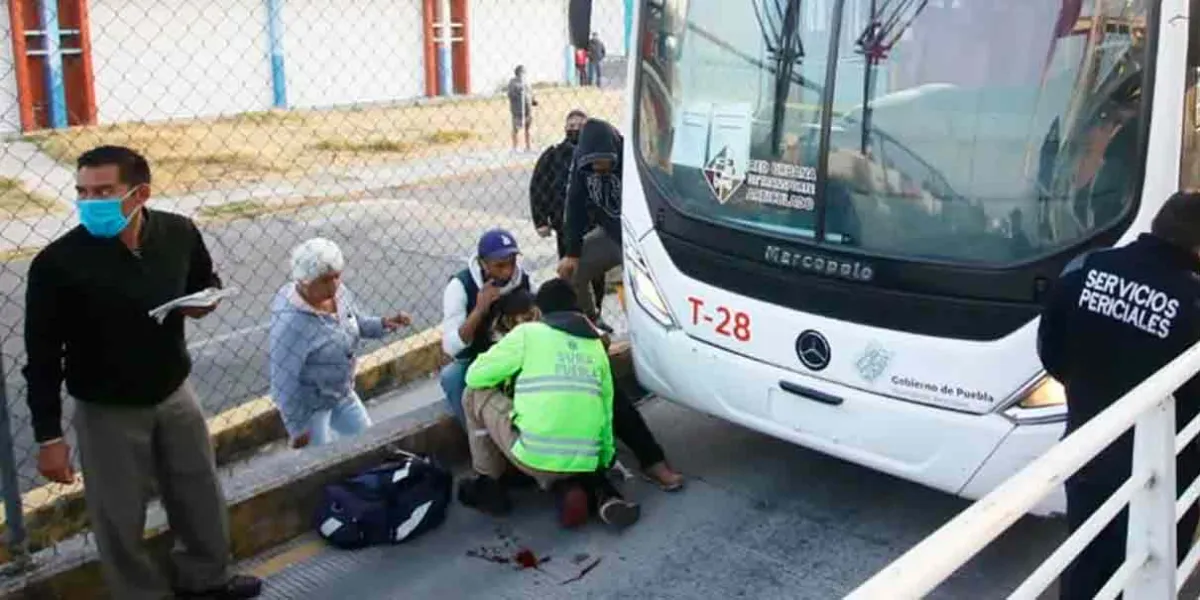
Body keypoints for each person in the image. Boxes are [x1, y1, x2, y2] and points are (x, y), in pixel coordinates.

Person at [22, 145, 262, 600]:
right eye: (82, 192)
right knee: (118, 517)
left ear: (140, 194)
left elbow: (204, 282)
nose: (90, 202)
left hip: (174, 392)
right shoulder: (56, 265)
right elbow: (42, 356)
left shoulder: (178, 233)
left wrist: (203, 301)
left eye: (104, 191)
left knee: (198, 493)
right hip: (106, 409)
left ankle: (206, 580)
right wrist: (49, 436)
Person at [1037, 189, 1200, 600]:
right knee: (1150, 569)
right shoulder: (1193, 301)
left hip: (1088, 451)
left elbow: (1050, 352)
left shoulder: (1087, 267)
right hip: (1168, 471)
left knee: (1085, 559)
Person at [456, 279, 641, 529]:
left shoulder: (527, 335)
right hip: (587, 456)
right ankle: (593, 493)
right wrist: (604, 460)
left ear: (539, 313)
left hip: (536, 456)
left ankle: (488, 484)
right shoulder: (595, 346)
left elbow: (474, 376)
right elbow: (607, 414)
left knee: (472, 393)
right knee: (570, 431)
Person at [269, 238, 412, 448]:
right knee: (319, 463)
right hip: (312, 407)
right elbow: (283, 383)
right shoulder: (292, 324)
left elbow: (356, 322)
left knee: (367, 444)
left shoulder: (340, 294)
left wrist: (385, 323)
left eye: (337, 276)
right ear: (305, 281)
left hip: (341, 393)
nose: (334, 285)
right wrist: (297, 428)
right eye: (325, 280)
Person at [440, 228, 532, 426]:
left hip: (515, 354)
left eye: (512, 263)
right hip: (477, 358)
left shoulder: (522, 280)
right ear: (483, 264)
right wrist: (479, 310)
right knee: (452, 377)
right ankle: (475, 434)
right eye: (500, 266)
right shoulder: (460, 287)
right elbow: (450, 347)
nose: (508, 271)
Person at [530, 109, 607, 321]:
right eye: (570, 125)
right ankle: (574, 310)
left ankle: (596, 311)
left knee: (597, 272)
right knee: (569, 270)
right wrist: (540, 220)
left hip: (594, 225)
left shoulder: (595, 155)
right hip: (564, 227)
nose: (574, 129)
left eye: (579, 125)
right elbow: (538, 187)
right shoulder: (553, 155)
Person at [558, 118, 624, 326]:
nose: (596, 167)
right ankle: (590, 322)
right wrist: (572, 253)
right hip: (612, 234)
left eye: (601, 161)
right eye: (591, 163)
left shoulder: (631, 154)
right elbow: (574, 207)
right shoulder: (581, 161)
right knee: (571, 270)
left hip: (642, 235)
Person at [507, 65, 537, 152]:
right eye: (521, 72)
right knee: (516, 128)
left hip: (528, 110)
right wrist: (519, 92)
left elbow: (530, 93)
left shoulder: (527, 83)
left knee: (528, 128)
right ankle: (515, 146)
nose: (523, 75)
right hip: (518, 110)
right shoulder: (513, 83)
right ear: (517, 73)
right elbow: (510, 94)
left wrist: (533, 100)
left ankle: (528, 146)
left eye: (524, 72)